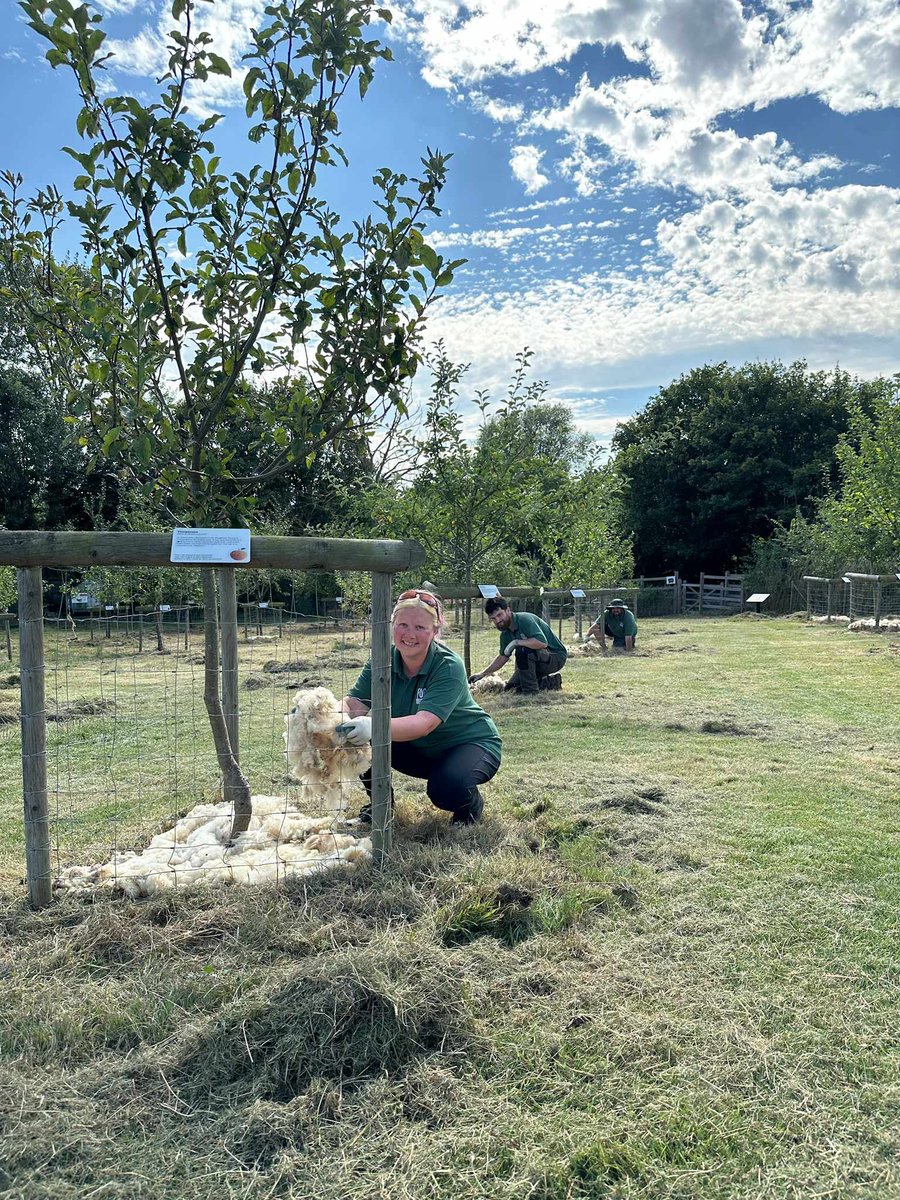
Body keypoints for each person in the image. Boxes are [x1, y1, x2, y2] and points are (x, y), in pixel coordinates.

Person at [335, 588, 501, 826]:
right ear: (392, 625)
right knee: (354, 738)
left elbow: (424, 723)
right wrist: (329, 715)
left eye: (420, 627)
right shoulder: (381, 659)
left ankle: (470, 806)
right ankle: (381, 807)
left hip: (469, 744)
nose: (410, 634)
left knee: (445, 789)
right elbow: (356, 703)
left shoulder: (449, 666)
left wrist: (373, 725)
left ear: (435, 630)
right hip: (420, 749)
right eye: (403, 624)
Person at [469, 596, 567, 695]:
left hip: (555, 656)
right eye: (493, 618)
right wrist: (483, 673)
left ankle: (531, 693)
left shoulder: (525, 620)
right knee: (511, 689)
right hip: (537, 659)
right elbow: (503, 657)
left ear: (508, 610)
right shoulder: (505, 633)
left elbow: (542, 642)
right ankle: (551, 682)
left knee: (523, 650)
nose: (498, 620)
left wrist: (516, 642)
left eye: (499, 615)